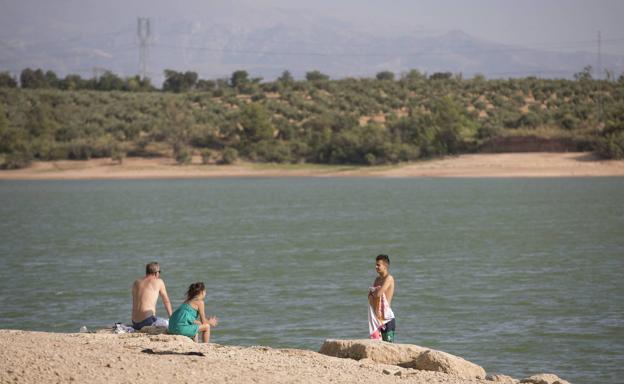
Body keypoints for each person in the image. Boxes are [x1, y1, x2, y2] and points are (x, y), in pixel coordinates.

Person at [131, 262, 173, 330]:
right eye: (159, 272)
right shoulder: (158, 282)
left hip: (135, 322)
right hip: (147, 322)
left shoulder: (136, 282)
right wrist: (172, 318)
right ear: (156, 273)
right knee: (167, 322)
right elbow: (166, 301)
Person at [368, 254, 396, 342]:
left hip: (387, 318)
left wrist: (374, 291)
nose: (376, 267)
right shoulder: (377, 280)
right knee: (377, 343)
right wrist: (373, 292)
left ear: (385, 266)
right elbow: (369, 296)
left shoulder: (389, 278)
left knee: (389, 345)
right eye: (375, 265)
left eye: (378, 265)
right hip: (378, 318)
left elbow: (378, 294)